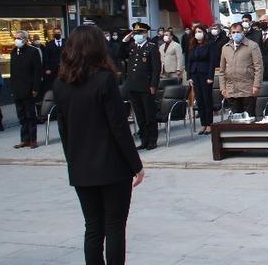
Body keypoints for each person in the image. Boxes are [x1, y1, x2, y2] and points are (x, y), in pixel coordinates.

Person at [53, 25, 144, 265]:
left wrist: (72, 160)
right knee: (114, 228)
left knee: (93, 228)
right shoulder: (104, 79)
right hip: (112, 167)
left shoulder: (60, 84)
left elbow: (64, 130)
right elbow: (119, 127)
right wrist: (136, 164)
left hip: (81, 167)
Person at [118, 23, 161, 150]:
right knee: (139, 116)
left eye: (140, 33)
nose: (137, 36)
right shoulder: (132, 47)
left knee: (149, 115)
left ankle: (152, 139)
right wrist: (124, 41)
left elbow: (156, 69)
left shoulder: (151, 47)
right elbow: (120, 55)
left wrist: (153, 85)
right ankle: (144, 139)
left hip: (146, 86)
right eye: (135, 33)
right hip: (133, 86)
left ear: (145, 34)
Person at [218, 23, 263, 118]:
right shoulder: (225, 48)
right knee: (236, 119)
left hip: (248, 88)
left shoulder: (252, 46)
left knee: (249, 119)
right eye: (233, 32)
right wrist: (223, 88)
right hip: (231, 89)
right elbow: (221, 70)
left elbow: (258, 67)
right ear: (230, 34)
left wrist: (256, 85)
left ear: (243, 32)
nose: (236, 34)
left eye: (238, 32)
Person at [10, 31, 43, 149]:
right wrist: (12, 88)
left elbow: (37, 71)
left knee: (30, 115)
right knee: (21, 115)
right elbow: (13, 71)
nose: (17, 40)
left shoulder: (33, 51)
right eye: (16, 38)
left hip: (29, 89)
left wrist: (35, 88)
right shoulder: (14, 52)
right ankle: (24, 139)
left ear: (25, 39)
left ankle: (33, 139)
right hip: (17, 89)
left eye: (19, 38)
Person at [188, 26, 217, 135]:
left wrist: (210, 77)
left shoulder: (210, 44)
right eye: (196, 32)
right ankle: (203, 124)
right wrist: (189, 76)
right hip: (195, 74)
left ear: (204, 33)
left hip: (205, 75)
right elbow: (189, 61)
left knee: (207, 99)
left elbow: (212, 61)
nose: (197, 34)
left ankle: (209, 124)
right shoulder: (193, 45)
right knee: (199, 100)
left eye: (199, 32)